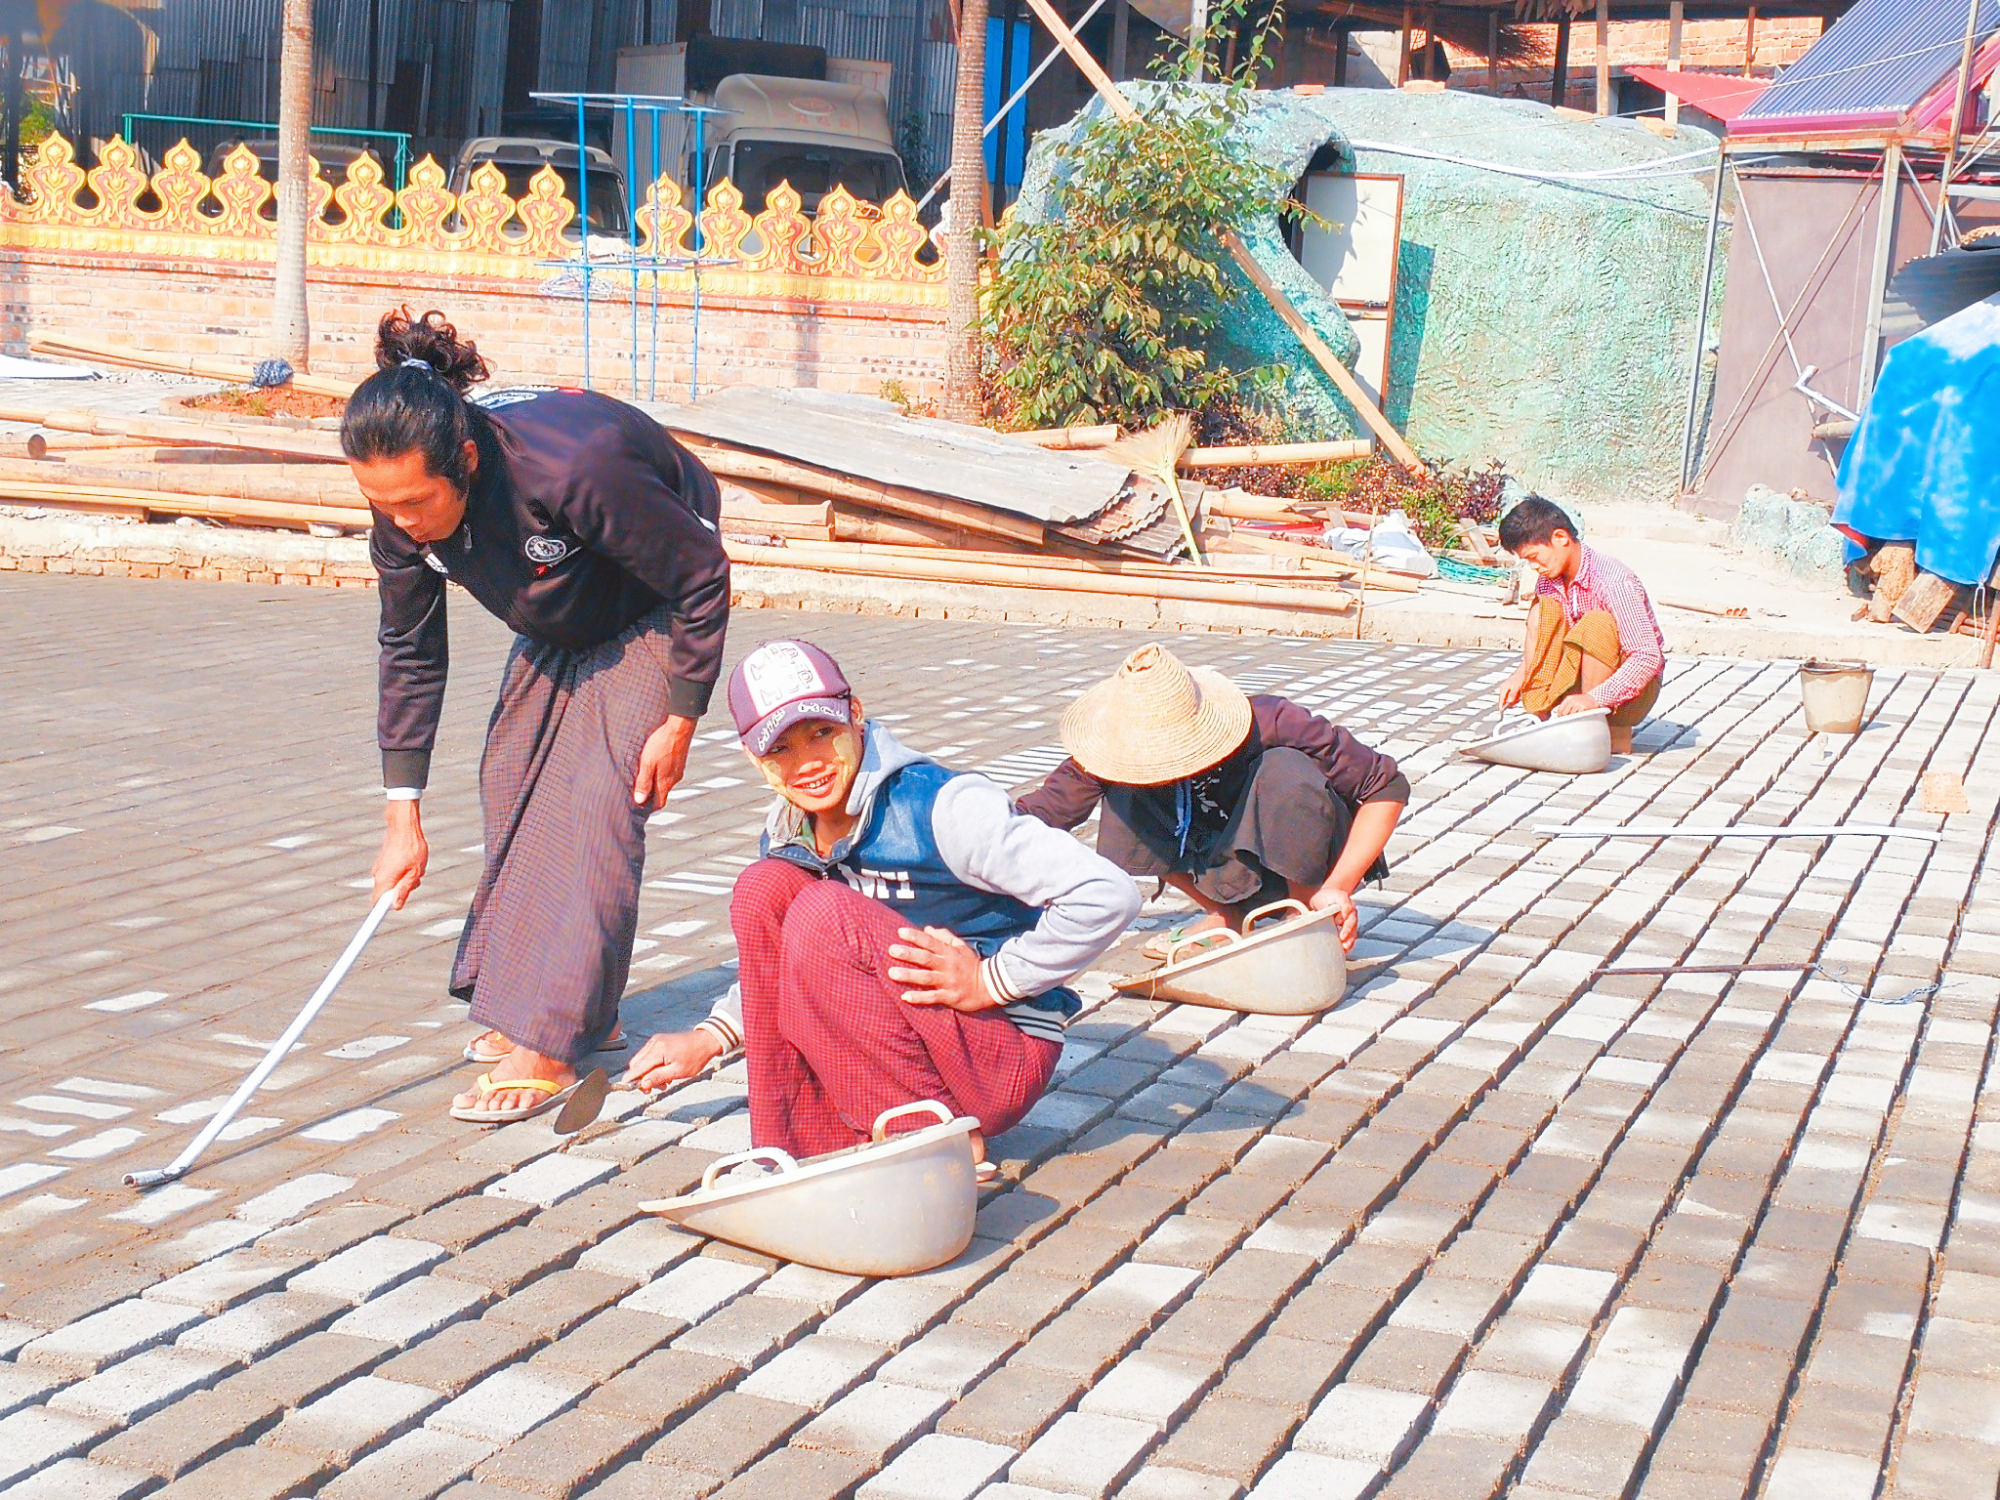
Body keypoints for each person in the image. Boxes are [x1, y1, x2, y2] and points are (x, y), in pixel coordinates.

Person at [349, 308, 730, 1124]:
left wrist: (681, 717)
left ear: (469, 459)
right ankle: (572, 1003)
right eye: (382, 505)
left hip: (653, 596)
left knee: (599, 795)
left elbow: (700, 576)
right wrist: (401, 813)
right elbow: (410, 653)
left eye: (416, 502)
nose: (401, 522)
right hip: (560, 610)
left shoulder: (574, 468)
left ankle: (552, 1044)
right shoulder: (399, 522)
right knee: (512, 777)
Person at [623, 639, 1139, 1168]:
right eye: (781, 749)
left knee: (821, 912)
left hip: (996, 1050)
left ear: (856, 715)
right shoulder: (788, 829)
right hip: (913, 1041)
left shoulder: (943, 806)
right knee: (764, 888)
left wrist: (989, 980)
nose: (807, 763)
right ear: (753, 759)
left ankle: (932, 1139)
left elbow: (1108, 894)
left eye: (822, 732)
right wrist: (710, 1037)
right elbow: (774, 960)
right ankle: (795, 1149)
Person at [1013, 645, 1407, 954]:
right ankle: (1226, 915)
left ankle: (1305, 918)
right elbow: (1037, 817)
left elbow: (1386, 787)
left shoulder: (1271, 721)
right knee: (1125, 792)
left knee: (1285, 771)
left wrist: (1337, 887)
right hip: (1217, 864)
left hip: (1304, 861)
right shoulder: (1111, 749)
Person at [1495, 495, 1665, 755]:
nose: (1534, 567)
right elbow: (1547, 640)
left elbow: (1647, 657)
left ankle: (1602, 730)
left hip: (1629, 695)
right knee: (1542, 612)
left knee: (1596, 623)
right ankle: (1538, 721)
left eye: (1535, 557)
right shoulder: (1548, 581)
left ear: (1561, 538)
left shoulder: (1614, 580)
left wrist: (1593, 699)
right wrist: (1519, 676)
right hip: (1581, 684)